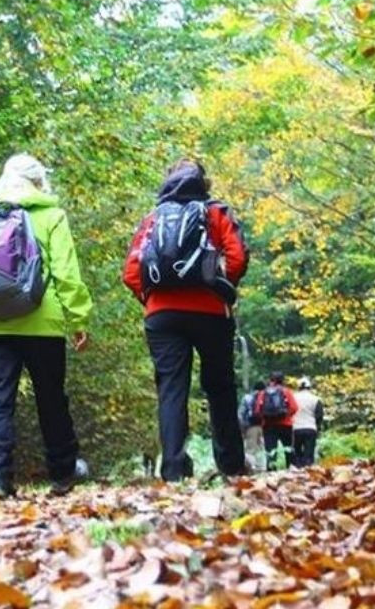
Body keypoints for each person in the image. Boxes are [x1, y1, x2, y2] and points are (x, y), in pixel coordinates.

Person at [0, 154, 92, 499]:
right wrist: (78, 319)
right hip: (42, 322)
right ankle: (63, 472)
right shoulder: (52, 216)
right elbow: (65, 273)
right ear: (39, 182)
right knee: (51, 398)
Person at [123, 159, 249, 482]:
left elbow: (131, 272)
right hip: (211, 312)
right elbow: (237, 256)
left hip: (162, 315)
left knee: (171, 388)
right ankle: (231, 466)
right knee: (220, 386)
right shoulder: (216, 212)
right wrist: (221, 287)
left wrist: (152, 299)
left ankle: (173, 470)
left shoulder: (153, 218)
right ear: (203, 183)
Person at [255, 372, 297, 471]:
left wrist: (265, 418)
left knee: (270, 451)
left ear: (271, 380)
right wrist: (286, 416)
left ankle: (271, 472)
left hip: (268, 426)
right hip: (286, 425)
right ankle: (290, 470)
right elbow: (294, 407)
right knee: (289, 449)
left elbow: (257, 410)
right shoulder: (286, 392)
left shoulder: (263, 393)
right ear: (282, 381)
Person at [291, 377, 323, 467]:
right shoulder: (316, 399)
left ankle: (298, 470)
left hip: (296, 428)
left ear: (298, 387)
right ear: (309, 387)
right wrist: (318, 427)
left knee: (297, 452)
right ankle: (308, 470)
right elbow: (319, 416)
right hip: (310, 428)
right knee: (309, 453)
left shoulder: (293, 397)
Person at [239, 381, 266, 473]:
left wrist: (242, 428)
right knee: (261, 447)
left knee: (251, 448)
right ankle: (262, 468)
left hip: (251, 426)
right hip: (264, 426)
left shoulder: (247, 398)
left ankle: (251, 469)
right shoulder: (266, 396)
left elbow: (241, 414)